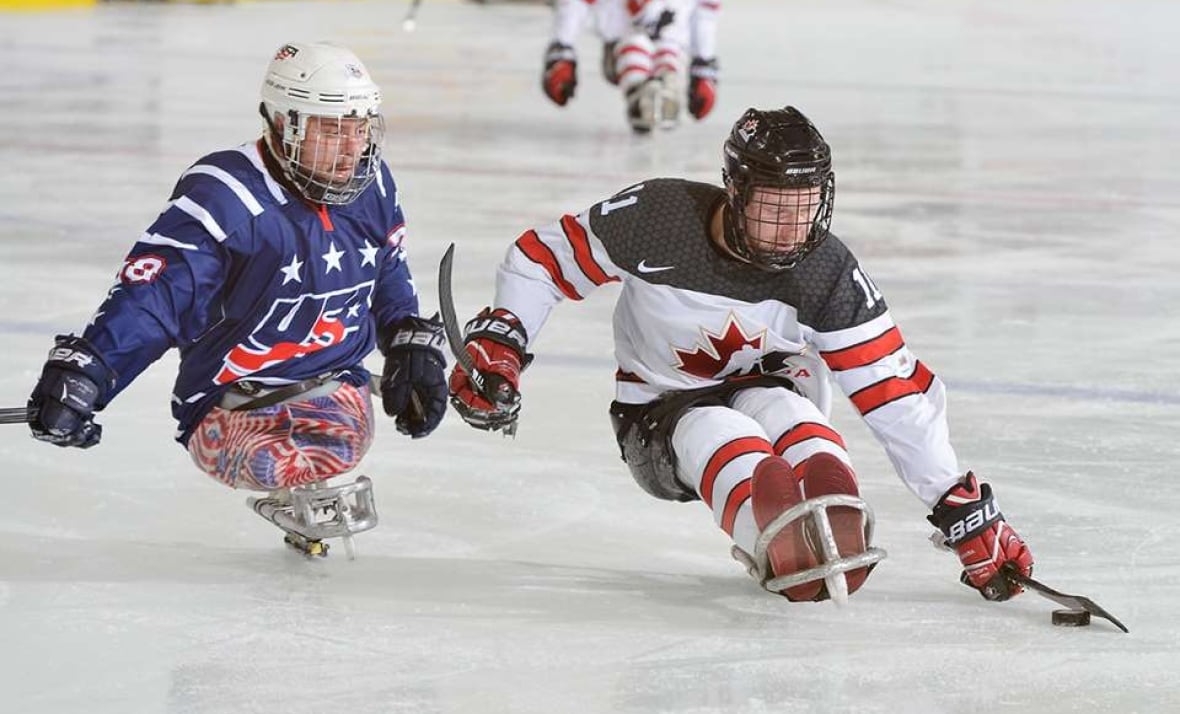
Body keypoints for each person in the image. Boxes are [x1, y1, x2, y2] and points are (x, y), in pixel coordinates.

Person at [447, 105, 1034, 602]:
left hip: (773, 389)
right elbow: (542, 261)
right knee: (721, 433)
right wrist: (504, 340)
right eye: (777, 205)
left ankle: (823, 512)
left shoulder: (826, 269)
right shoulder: (658, 219)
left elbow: (891, 388)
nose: (792, 227)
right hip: (659, 411)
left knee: (796, 420)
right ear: (737, 190)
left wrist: (956, 502)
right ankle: (770, 524)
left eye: (806, 205)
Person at [26, 42, 448, 554]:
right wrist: (89, 372)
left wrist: (408, 340)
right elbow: (158, 295)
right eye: (331, 128)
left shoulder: (373, 182)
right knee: (270, 460)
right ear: (284, 122)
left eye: (360, 128)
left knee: (342, 439)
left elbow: (387, 270)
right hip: (231, 407)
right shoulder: (228, 193)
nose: (351, 148)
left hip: (336, 389)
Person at [542, 0, 720, 133]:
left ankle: (660, 80)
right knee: (637, 46)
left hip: (668, 42)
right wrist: (562, 50)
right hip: (622, 40)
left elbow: (705, 13)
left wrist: (704, 68)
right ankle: (642, 85)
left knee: (665, 56)